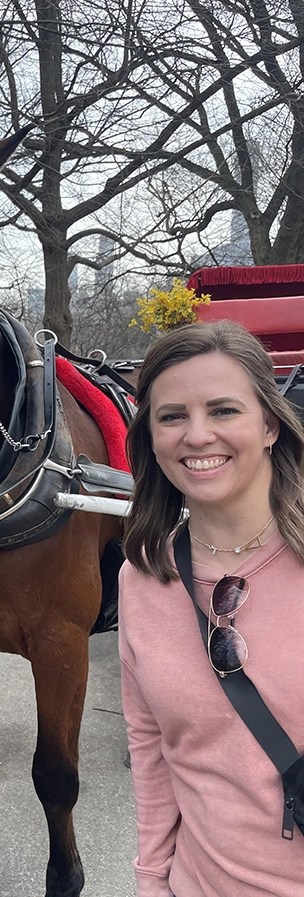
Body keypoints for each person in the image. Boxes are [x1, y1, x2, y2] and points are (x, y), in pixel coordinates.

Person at [119, 319, 304, 897]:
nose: (197, 435)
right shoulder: (142, 578)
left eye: (224, 410)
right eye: (172, 416)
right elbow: (152, 748)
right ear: (151, 436)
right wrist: (152, 880)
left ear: (269, 424)